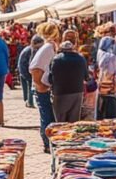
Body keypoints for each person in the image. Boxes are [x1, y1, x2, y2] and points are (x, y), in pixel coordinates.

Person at [30, 22, 61, 153]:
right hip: (43, 89)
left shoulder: (48, 46)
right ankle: (47, 143)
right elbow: (35, 68)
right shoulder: (48, 47)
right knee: (47, 116)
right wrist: (41, 86)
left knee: (48, 115)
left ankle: (49, 142)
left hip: (45, 87)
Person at [48, 40, 89, 123]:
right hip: (77, 91)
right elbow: (86, 77)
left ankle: (60, 135)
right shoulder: (81, 58)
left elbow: (50, 78)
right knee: (74, 120)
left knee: (60, 120)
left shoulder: (56, 59)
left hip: (60, 92)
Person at [95, 24, 116, 119]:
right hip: (110, 87)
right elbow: (111, 71)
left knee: (102, 110)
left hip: (101, 86)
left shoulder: (100, 53)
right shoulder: (111, 56)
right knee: (112, 113)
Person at [19, 35, 43, 108]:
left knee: (26, 86)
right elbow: (31, 62)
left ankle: (27, 100)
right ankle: (30, 102)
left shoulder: (28, 48)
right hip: (26, 70)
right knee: (30, 86)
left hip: (22, 69)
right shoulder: (33, 50)